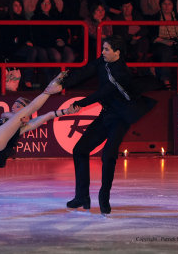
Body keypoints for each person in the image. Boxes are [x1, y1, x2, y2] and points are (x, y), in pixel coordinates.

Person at [60, 36, 156, 215]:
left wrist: (80, 103)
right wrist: (63, 83)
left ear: (117, 52)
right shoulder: (102, 61)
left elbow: (102, 93)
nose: (102, 52)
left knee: (108, 155)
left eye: (106, 49)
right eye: (103, 49)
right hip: (106, 114)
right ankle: (82, 196)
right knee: (80, 149)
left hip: (121, 116)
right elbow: (85, 71)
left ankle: (104, 197)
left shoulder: (121, 73)